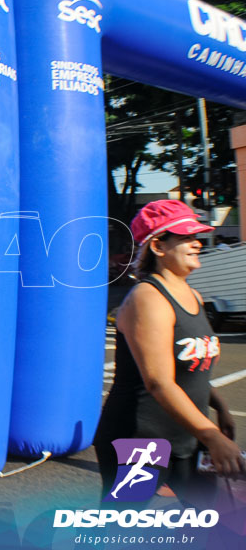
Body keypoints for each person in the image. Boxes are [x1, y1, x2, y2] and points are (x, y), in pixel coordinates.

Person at [94, 200, 244, 506]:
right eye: (187, 237)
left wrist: (219, 406)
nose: (197, 243)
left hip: (187, 433)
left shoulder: (193, 295)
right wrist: (212, 436)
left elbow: (190, 366)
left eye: (197, 236)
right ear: (159, 247)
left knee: (206, 518)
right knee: (123, 527)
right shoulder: (148, 298)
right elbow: (159, 382)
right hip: (140, 438)